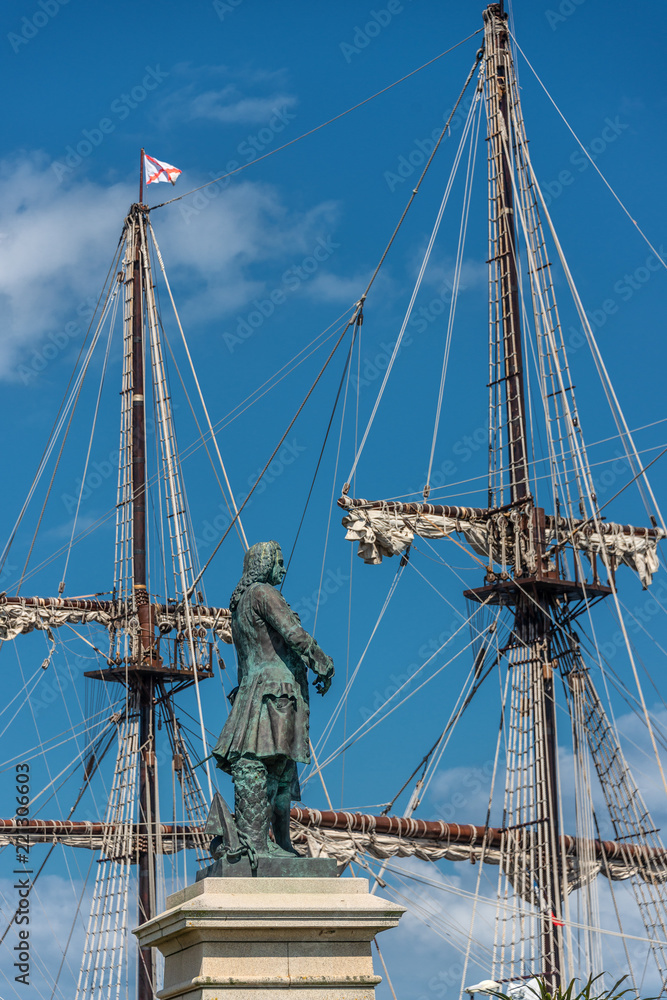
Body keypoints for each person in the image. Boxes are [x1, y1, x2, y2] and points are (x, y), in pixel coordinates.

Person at [212, 540, 334, 860]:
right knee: (273, 768)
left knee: (281, 771)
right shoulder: (264, 593)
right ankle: (259, 843)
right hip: (275, 693)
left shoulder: (239, 604)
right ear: (263, 566)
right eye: (278, 562)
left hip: (254, 692)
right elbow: (293, 633)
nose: (283, 568)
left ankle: (279, 843)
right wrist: (323, 663)